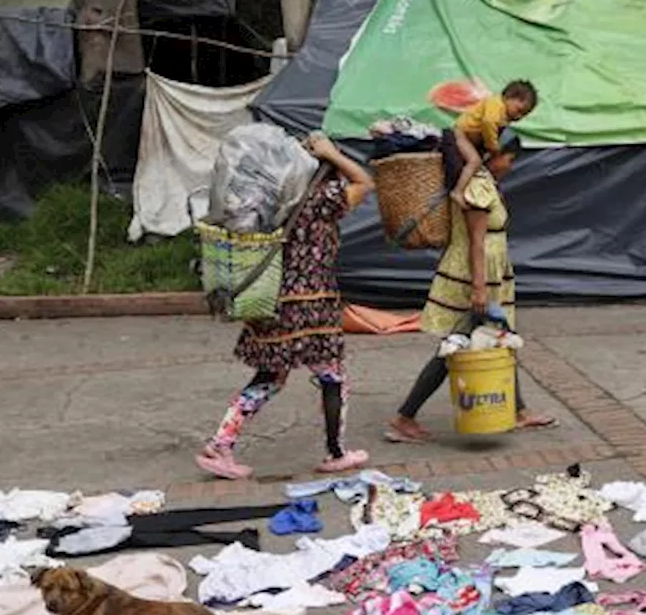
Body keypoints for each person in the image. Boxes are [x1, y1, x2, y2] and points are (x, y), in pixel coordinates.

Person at [196, 133, 375, 480]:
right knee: (332, 375)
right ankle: (335, 452)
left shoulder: (277, 200)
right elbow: (365, 181)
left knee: (271, 376)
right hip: (312, 307)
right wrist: (333, 153)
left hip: (272, 299)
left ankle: (222, 442)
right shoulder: (325, 199)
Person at [387, 128, 556, 443]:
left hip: (487, 277)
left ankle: (518, 411)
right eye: (509, 158)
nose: (510, 165)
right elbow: (476, 243)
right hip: (472, 279)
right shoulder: (477, 188)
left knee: (499, 338)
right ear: (495, 156)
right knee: (454, 348)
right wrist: (479, 289)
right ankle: (404, 417)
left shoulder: (485, 184)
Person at [445, 80, 538, 209]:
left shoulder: (501, 114)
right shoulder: (495, 104)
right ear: (510, 97)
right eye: (519, 110)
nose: (519, 116)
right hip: (461, 134)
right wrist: (493, 146)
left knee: (476, 163)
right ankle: (457, 191)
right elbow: (488, 123)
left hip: (471, 139)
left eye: (523, 115)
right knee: (474, 161)